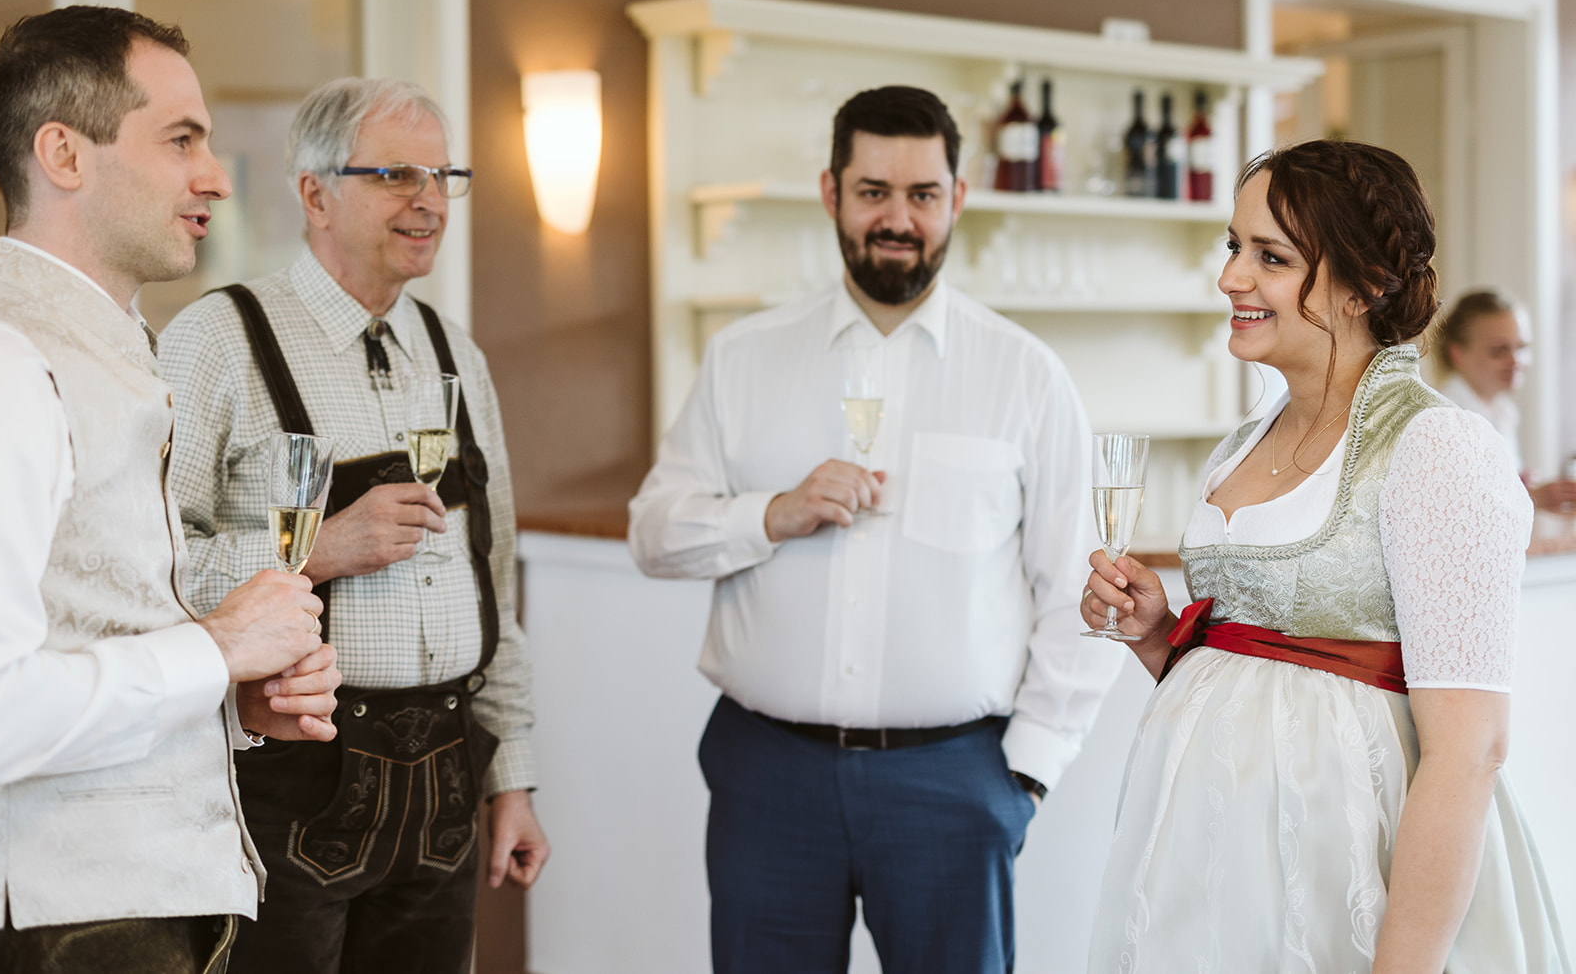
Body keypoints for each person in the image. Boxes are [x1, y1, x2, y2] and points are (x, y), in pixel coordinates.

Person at [629, 85, 1122, 974]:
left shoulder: (1026, 377)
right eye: (872, 192)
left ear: (957, 199)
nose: (898, 218)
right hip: (766, 774)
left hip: (957, 781)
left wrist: (1026, 775)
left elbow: (1081, 594)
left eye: (922, 194)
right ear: (830, 192)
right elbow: (655, 535)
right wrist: (770, 514)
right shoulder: (743, 359)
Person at [1081, 139, 1569, 972]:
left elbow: (1471, 748)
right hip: (1203, 869)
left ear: (1364, 285)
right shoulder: (1241, 446)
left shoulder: (1437, 448)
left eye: (1271, 257)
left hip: (1353, 870)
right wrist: (1159, 637)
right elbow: (1266, 678)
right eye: (1235, 246)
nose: (1233, 277)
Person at [0, 6, 340, 973]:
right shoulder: (3, 365)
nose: (215, 175)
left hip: (134, 905)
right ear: (63, 152)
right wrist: (214, 648)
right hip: (56, 928)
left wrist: (226, 696)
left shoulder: (103, 347)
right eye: (181, 140)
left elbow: (80, 631)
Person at [160, 77, 548, 974]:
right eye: (396, 174)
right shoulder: (218, 337)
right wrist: (322, 548)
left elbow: (496, 581)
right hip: (292, 781)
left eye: (443, 175)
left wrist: (512, 778)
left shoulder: (456, 353)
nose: (429, 200)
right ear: (314, 192)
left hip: (448, 784)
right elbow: (154, 562)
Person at [1435, 289, 1576, 512]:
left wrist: (1521, 486)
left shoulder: (1504, 412)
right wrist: (1530, 496)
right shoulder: (1444, 419)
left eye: (1521, 347)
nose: (1516, 360)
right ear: (1457, 353)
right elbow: (1452, 508)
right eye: (1499, 351)